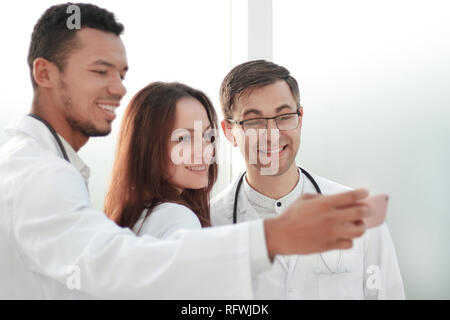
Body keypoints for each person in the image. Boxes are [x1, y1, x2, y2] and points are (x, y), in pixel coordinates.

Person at [0, 3, 371, 299]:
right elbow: (121, 266)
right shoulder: (43, 174)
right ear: (45, 74)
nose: (116, 88)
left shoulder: (46, 167)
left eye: (121, 74)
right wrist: (272, 237)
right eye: (100, 71)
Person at [211, 60, 405, 299]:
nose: (272, 134)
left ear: (300, 119)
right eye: (254, 121)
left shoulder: (359, 217)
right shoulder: (209, 224)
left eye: (284, 116)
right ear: (229, 131)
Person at [104, 82, 218, 239]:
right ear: (147, 147)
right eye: (183, 138)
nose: (205, 150)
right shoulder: (178, 219)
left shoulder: (132, 217)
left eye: (207, 136)